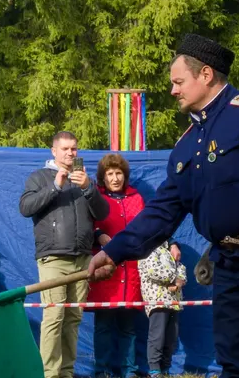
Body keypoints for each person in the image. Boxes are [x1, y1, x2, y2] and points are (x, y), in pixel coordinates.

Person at [89, 34, 239, 378]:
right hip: (228, 265)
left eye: (179, 82)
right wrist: (113, 252)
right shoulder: (187, 144)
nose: (172, 90)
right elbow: (163, 210)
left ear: (205, 75)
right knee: (236, 363)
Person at [20, 131, 108, 378]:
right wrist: (55, 186)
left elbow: (102, 213)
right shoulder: (39, 177)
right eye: (65, 149)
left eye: (74, 149)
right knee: (54, 316)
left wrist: (89, 188)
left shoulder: (84, 180)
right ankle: (49, 374)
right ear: (54, 151)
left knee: (73, 318)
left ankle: (67, 373)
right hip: (53, 258)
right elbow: (25, 208)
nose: (70, 153)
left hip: (82, 257)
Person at [88, 154, 145, 378]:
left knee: (128, 327)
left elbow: (148, 228)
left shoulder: (136, 198)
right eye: (110, 173)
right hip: (105, 270)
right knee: (103, 325)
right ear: (103, 177)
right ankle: (102, 371)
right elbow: (86, 226)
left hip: (130, 271)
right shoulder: (96, 198)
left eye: (118, 173)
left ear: (125, 175)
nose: (115, 178)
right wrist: (98, 234)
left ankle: (130, 371)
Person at [138, 240, 186, 378]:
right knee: (157, 337)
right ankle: (154, 370)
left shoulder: (169, 250)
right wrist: (174, 279)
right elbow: (153, 271)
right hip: (157, 301)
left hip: (174, 302)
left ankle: (165, 369)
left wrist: (179, 282)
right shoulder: (147, 249)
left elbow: (181, 268)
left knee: (171, 338)